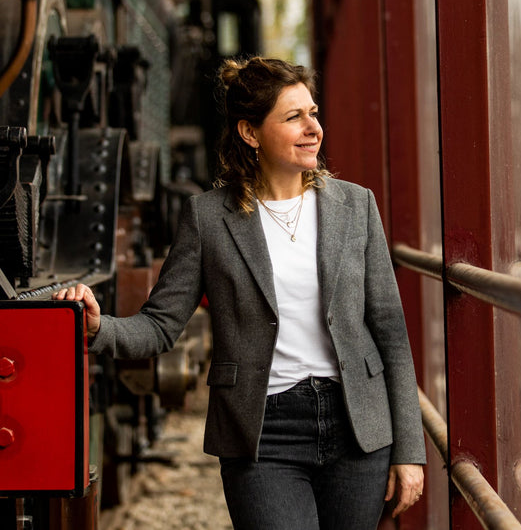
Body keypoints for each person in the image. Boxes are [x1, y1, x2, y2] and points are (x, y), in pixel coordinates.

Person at [54, 57, 426, 530]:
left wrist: (410, 451)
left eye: (313, 113)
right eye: (294, 117)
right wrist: (97, 325)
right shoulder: (209, 218)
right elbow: (161, 324)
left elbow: (390, 331)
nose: (314, 128)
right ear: (250, 133)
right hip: (263, 432)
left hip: (357, 427)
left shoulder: (355, 205)